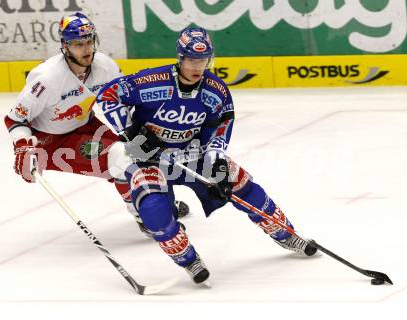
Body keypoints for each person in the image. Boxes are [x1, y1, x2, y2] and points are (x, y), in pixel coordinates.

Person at [96, 27, 317, 286]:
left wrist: (217, 161)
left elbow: (221, 125)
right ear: (180, 58)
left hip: (192, 154)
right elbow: (107, 95)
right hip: (148, 156)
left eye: (203, 60)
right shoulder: (151, 81)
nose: (197, 66)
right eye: (191, 60)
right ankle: (188, 259)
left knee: (241, 184)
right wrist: (132, 132)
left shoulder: (216, 90)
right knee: (153, 210)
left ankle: (285, 233)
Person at [4, 12, 189, 236]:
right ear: (64, 46)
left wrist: (140, 126)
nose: (86, 49)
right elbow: (14, 118)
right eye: (78, 44)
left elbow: (125, 99)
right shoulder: (47, 79)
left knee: (138, 154)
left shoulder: (105, 66)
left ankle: (154, 207)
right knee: (122, 158)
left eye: (89, 41)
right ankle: (148, 217)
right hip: (51, 141)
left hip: (86, 124)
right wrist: (23, 145)